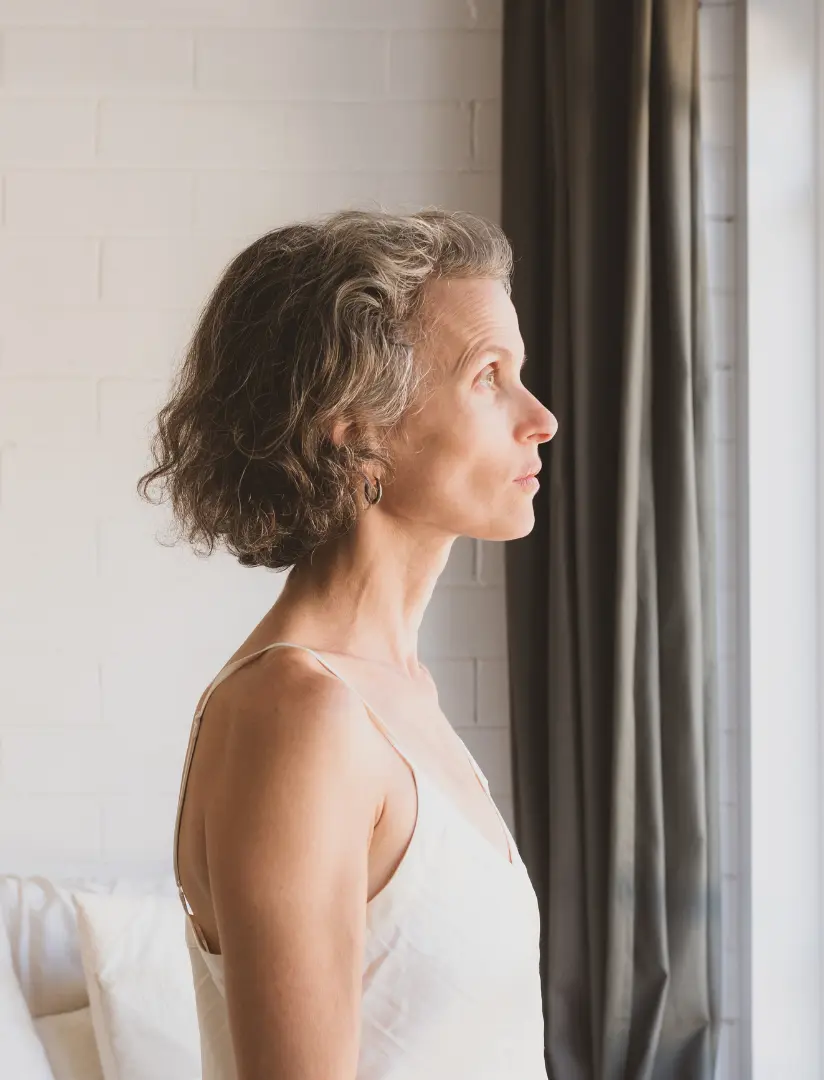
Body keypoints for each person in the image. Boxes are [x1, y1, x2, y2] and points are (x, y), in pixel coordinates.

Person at [139, 209, 557, 1080]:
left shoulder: (395, 694)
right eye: (489, 377)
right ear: (356, 421)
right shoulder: (298, 713)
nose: (541, 417)